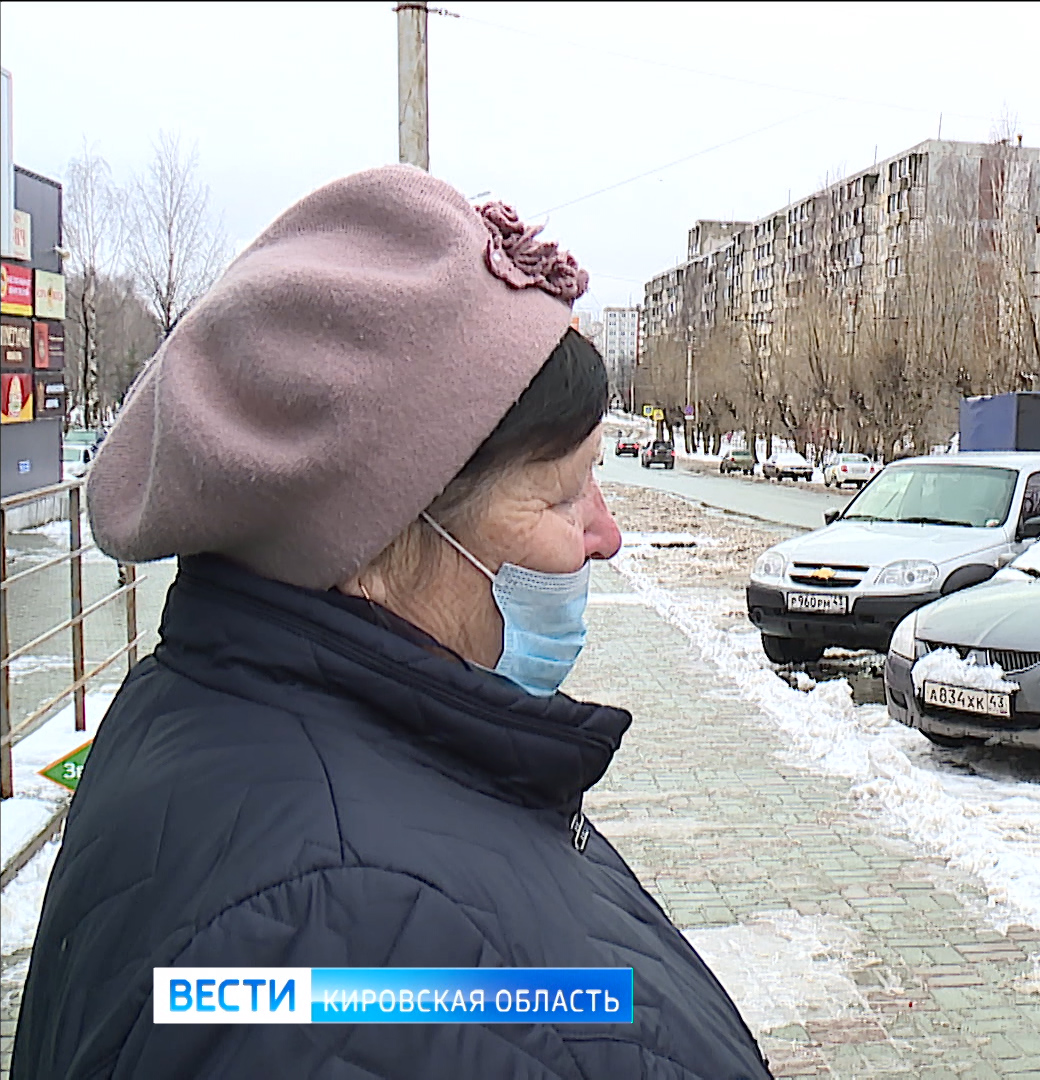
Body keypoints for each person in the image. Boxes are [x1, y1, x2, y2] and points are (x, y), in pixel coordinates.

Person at [13, 166, 770, 1079]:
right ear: (375, 539)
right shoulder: (333, 936)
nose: (605, 535)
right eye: (563, 494)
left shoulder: (249, 731)